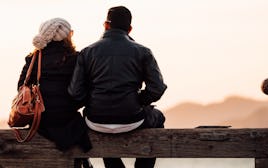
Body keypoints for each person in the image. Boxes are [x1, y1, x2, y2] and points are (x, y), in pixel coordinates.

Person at [68, 6, 167, 168]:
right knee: (159, 117)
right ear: (129, 29)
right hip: (132, 118)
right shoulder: (143, 52)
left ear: (106, 25)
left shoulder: (87, 52)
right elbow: (157, 88)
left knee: (101, 126)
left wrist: (93, 100)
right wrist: (139, 101)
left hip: (96, 120)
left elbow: (75, 92)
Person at [17, 18, 92, 168]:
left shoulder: (33, 59)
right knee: (78, 129)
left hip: (40, 121)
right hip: (67, 119)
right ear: (66, 37)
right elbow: (83, 92)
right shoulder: (75, 59)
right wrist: (70, 104)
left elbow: (21, 88)